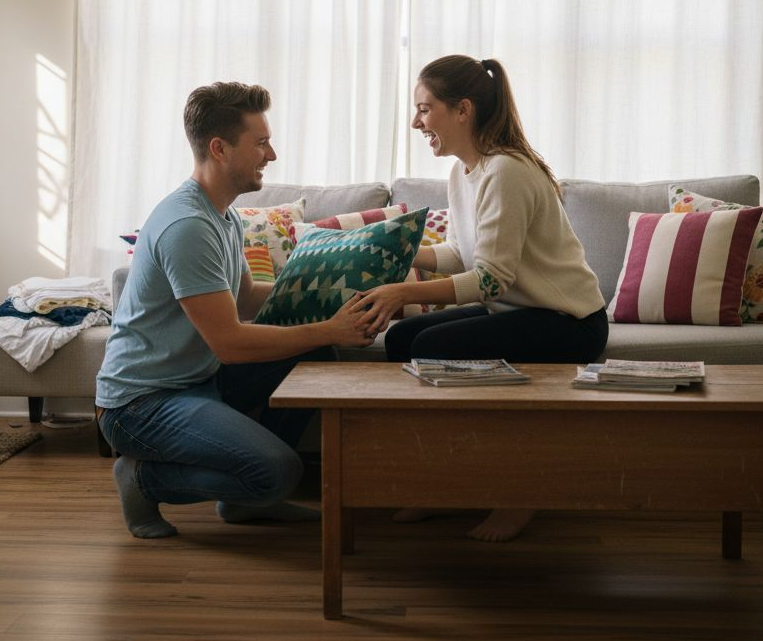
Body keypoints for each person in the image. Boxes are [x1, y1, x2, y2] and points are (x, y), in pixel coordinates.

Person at [96, 81, 376, 539]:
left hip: (195, 380)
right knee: (280, 472)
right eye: (261, 143)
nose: (272, 155)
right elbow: (230, 343)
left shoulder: (221, 214)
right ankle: (143, 480)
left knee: (314, 359)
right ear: (220, 148)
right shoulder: (187, 225)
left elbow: (244, 297)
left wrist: (328, 296)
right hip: (141, 404)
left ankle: (244, 501)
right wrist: (329, 328)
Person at [355, 55, 610, 542]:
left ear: (462, 110)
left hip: (567, 321)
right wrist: (398, 253)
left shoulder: (506, 172)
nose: (416, 122)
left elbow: (490, 278)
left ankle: (516, 491)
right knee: (403, 339)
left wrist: (402, 290)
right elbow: (462, 253)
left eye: (424, 109)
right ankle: (446, 484)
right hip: (517, 311)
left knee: (436, 348)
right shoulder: (464, 172)